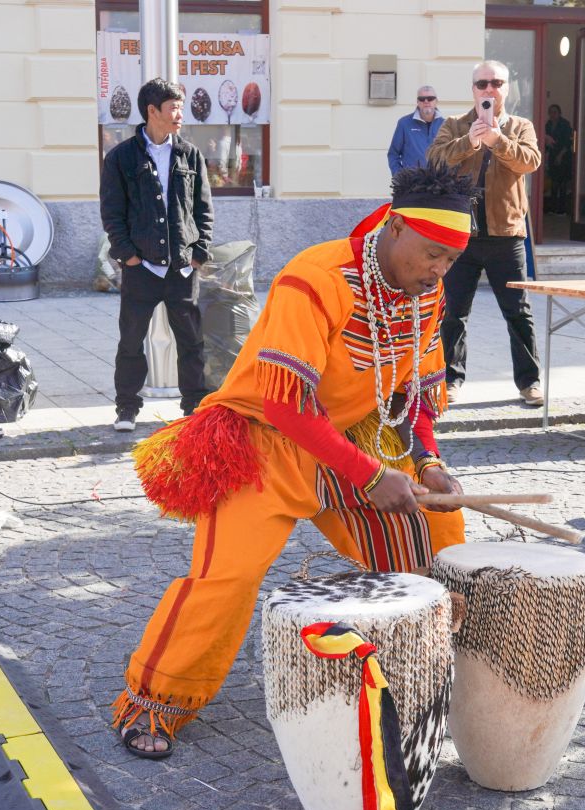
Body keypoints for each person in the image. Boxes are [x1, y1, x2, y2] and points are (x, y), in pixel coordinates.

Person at [111, 165, 473, 758]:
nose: (439, 272)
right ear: (397, 226)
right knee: (225, 578)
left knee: (437, 522)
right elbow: (285, 405)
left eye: (451, 263)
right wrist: (370, 475)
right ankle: (153, 702)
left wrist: (427, 462)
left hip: (355, 432)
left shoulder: (423, 291)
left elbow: (412, 397)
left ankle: (421, 663)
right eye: (432, 255)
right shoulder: (316, 277)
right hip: (263, 438)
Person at [99, 78, 215, 433]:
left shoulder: (190, 154)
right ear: (152, 111)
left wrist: (199, 252)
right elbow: (112, 212)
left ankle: (194, 406)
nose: (180, 114)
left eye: (180, 106)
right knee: (131, 340)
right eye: (173, 107)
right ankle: (127, 408)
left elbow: (203, 208)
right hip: (141, 266)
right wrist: (127, 256)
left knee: (191, 341)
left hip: (182, 266)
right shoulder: (121, 157)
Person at [427, 60, 543, 406]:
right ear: (473, 90)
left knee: (518, 312)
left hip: (506, 235)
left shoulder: (521, 126)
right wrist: (470, 142)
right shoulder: (453, 125)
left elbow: (530, 161)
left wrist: (498, 140)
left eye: (496, 83)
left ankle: (529, 382)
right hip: (460, 236)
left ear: (506, 88)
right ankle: (450, 380)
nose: (489, 89)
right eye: (482, 84)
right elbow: (433, 160)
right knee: (452, 312)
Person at [386, 86, 442, 176]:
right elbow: (393, 154)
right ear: (417, 102)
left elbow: (453, 154)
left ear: (436, 101)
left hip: (439, 183)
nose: (426, 102)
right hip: (412, 183)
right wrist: (399, 176)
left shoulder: (445, 125)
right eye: (422, 99)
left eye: (430, 98)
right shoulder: (404, 123)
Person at [543, 103, 573, 214]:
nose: (552, 114)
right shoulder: (548, 125)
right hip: (552, 155)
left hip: (564, 156)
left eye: (555, 112)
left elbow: (568, 142)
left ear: (559, 113)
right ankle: (553, 208)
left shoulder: (565, 124)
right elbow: (545, 142)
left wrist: (560, 156)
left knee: (563, 184)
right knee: (554, 182)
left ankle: (562, 210)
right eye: (550, 112)